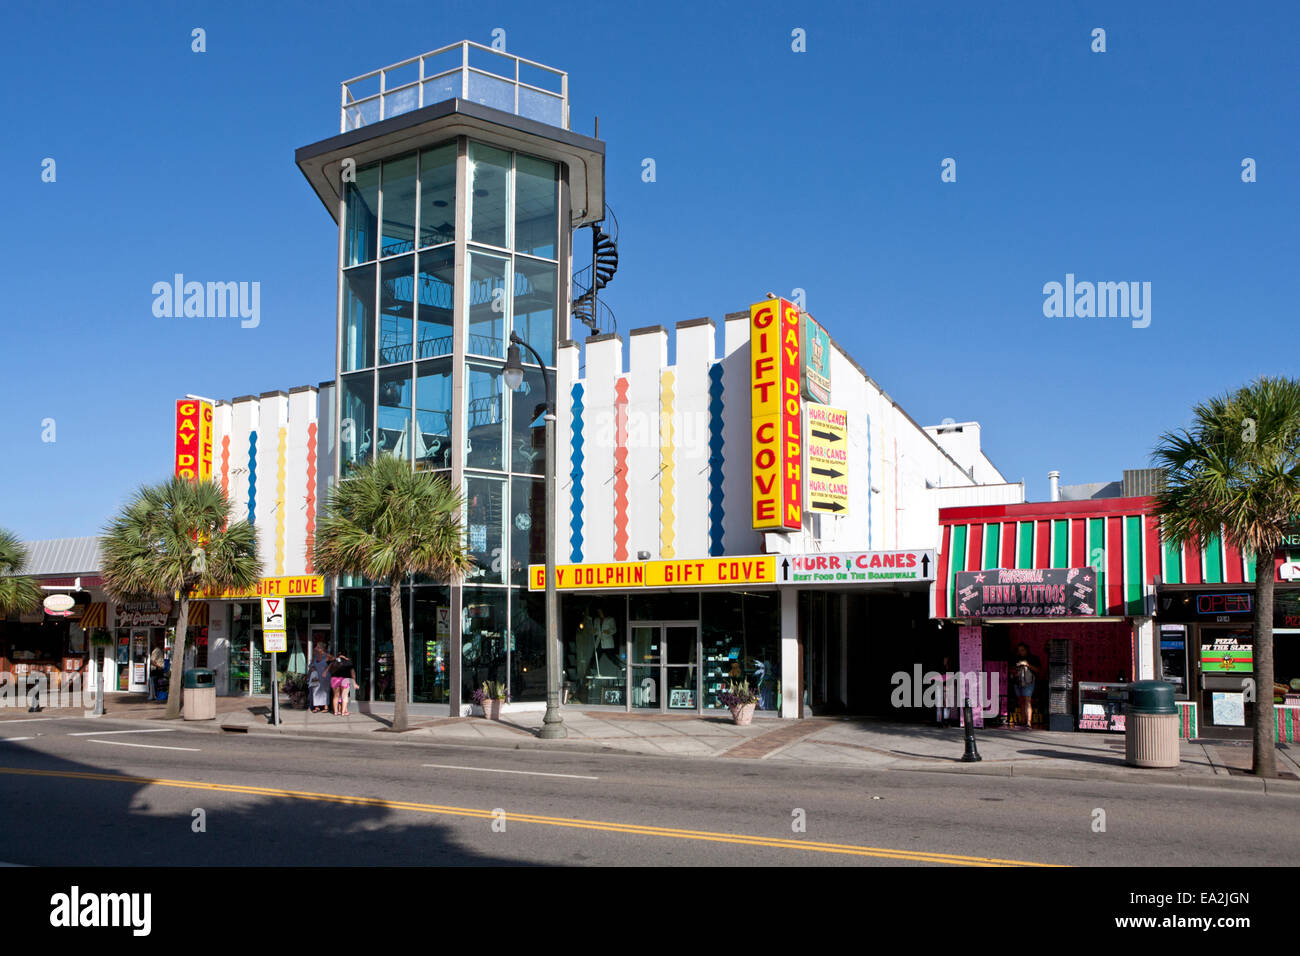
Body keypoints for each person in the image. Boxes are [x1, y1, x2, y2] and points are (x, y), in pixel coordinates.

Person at [1010, 642, 1042, 729]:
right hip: (1018, 681)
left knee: (1027, 701)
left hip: (1029, 682)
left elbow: (1038, 670)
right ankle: (1023, 721)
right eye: (1019, 650)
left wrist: (1027, 665)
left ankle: (1028, 722)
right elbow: (1011, 669)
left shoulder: (1033, 658)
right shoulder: (1016, 658)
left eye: (1022, 650)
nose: (1020, 652)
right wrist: (1015, 670)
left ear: (1026, 649)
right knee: (1021, 701)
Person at [307, 644, 333, 713]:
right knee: (315, 690)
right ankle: (317, 706)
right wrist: (313, 669)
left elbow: (333, 662)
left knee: (325, 691)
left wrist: (326, 670)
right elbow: (310, 665)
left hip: (325, 676)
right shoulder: (315, 656)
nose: (315, 648)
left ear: (322, 649)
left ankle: (326, 706)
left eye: (318, 647)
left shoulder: (327, 656)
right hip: (316, 676)